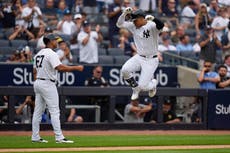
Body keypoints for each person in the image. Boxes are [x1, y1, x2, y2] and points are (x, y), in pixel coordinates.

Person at [32, 33, 84, 143]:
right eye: (55, 40)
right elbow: (59, 67)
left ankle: (35, 136)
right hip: (47, 83)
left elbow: (34, 72)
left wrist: (40, 79)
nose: (57, 42)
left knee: (37, 112)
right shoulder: (51, 53)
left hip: (38, 82)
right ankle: (59, 137)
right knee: (55, 111)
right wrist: (76, 67)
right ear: (50, 41)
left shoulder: (38, 53)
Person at [116, 8, 164, 100]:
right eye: (133, 20)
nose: (134, 22)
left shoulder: (151, 25)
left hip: (151, 60)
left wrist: (154, 19)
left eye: (136, 20)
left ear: (142, 19)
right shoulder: (133, 26)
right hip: (139, 57)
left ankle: (153, 84)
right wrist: (124, 14)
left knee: (143, 86)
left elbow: (161, 26)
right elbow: (119, 24)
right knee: (125, 70)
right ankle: (135, 88)